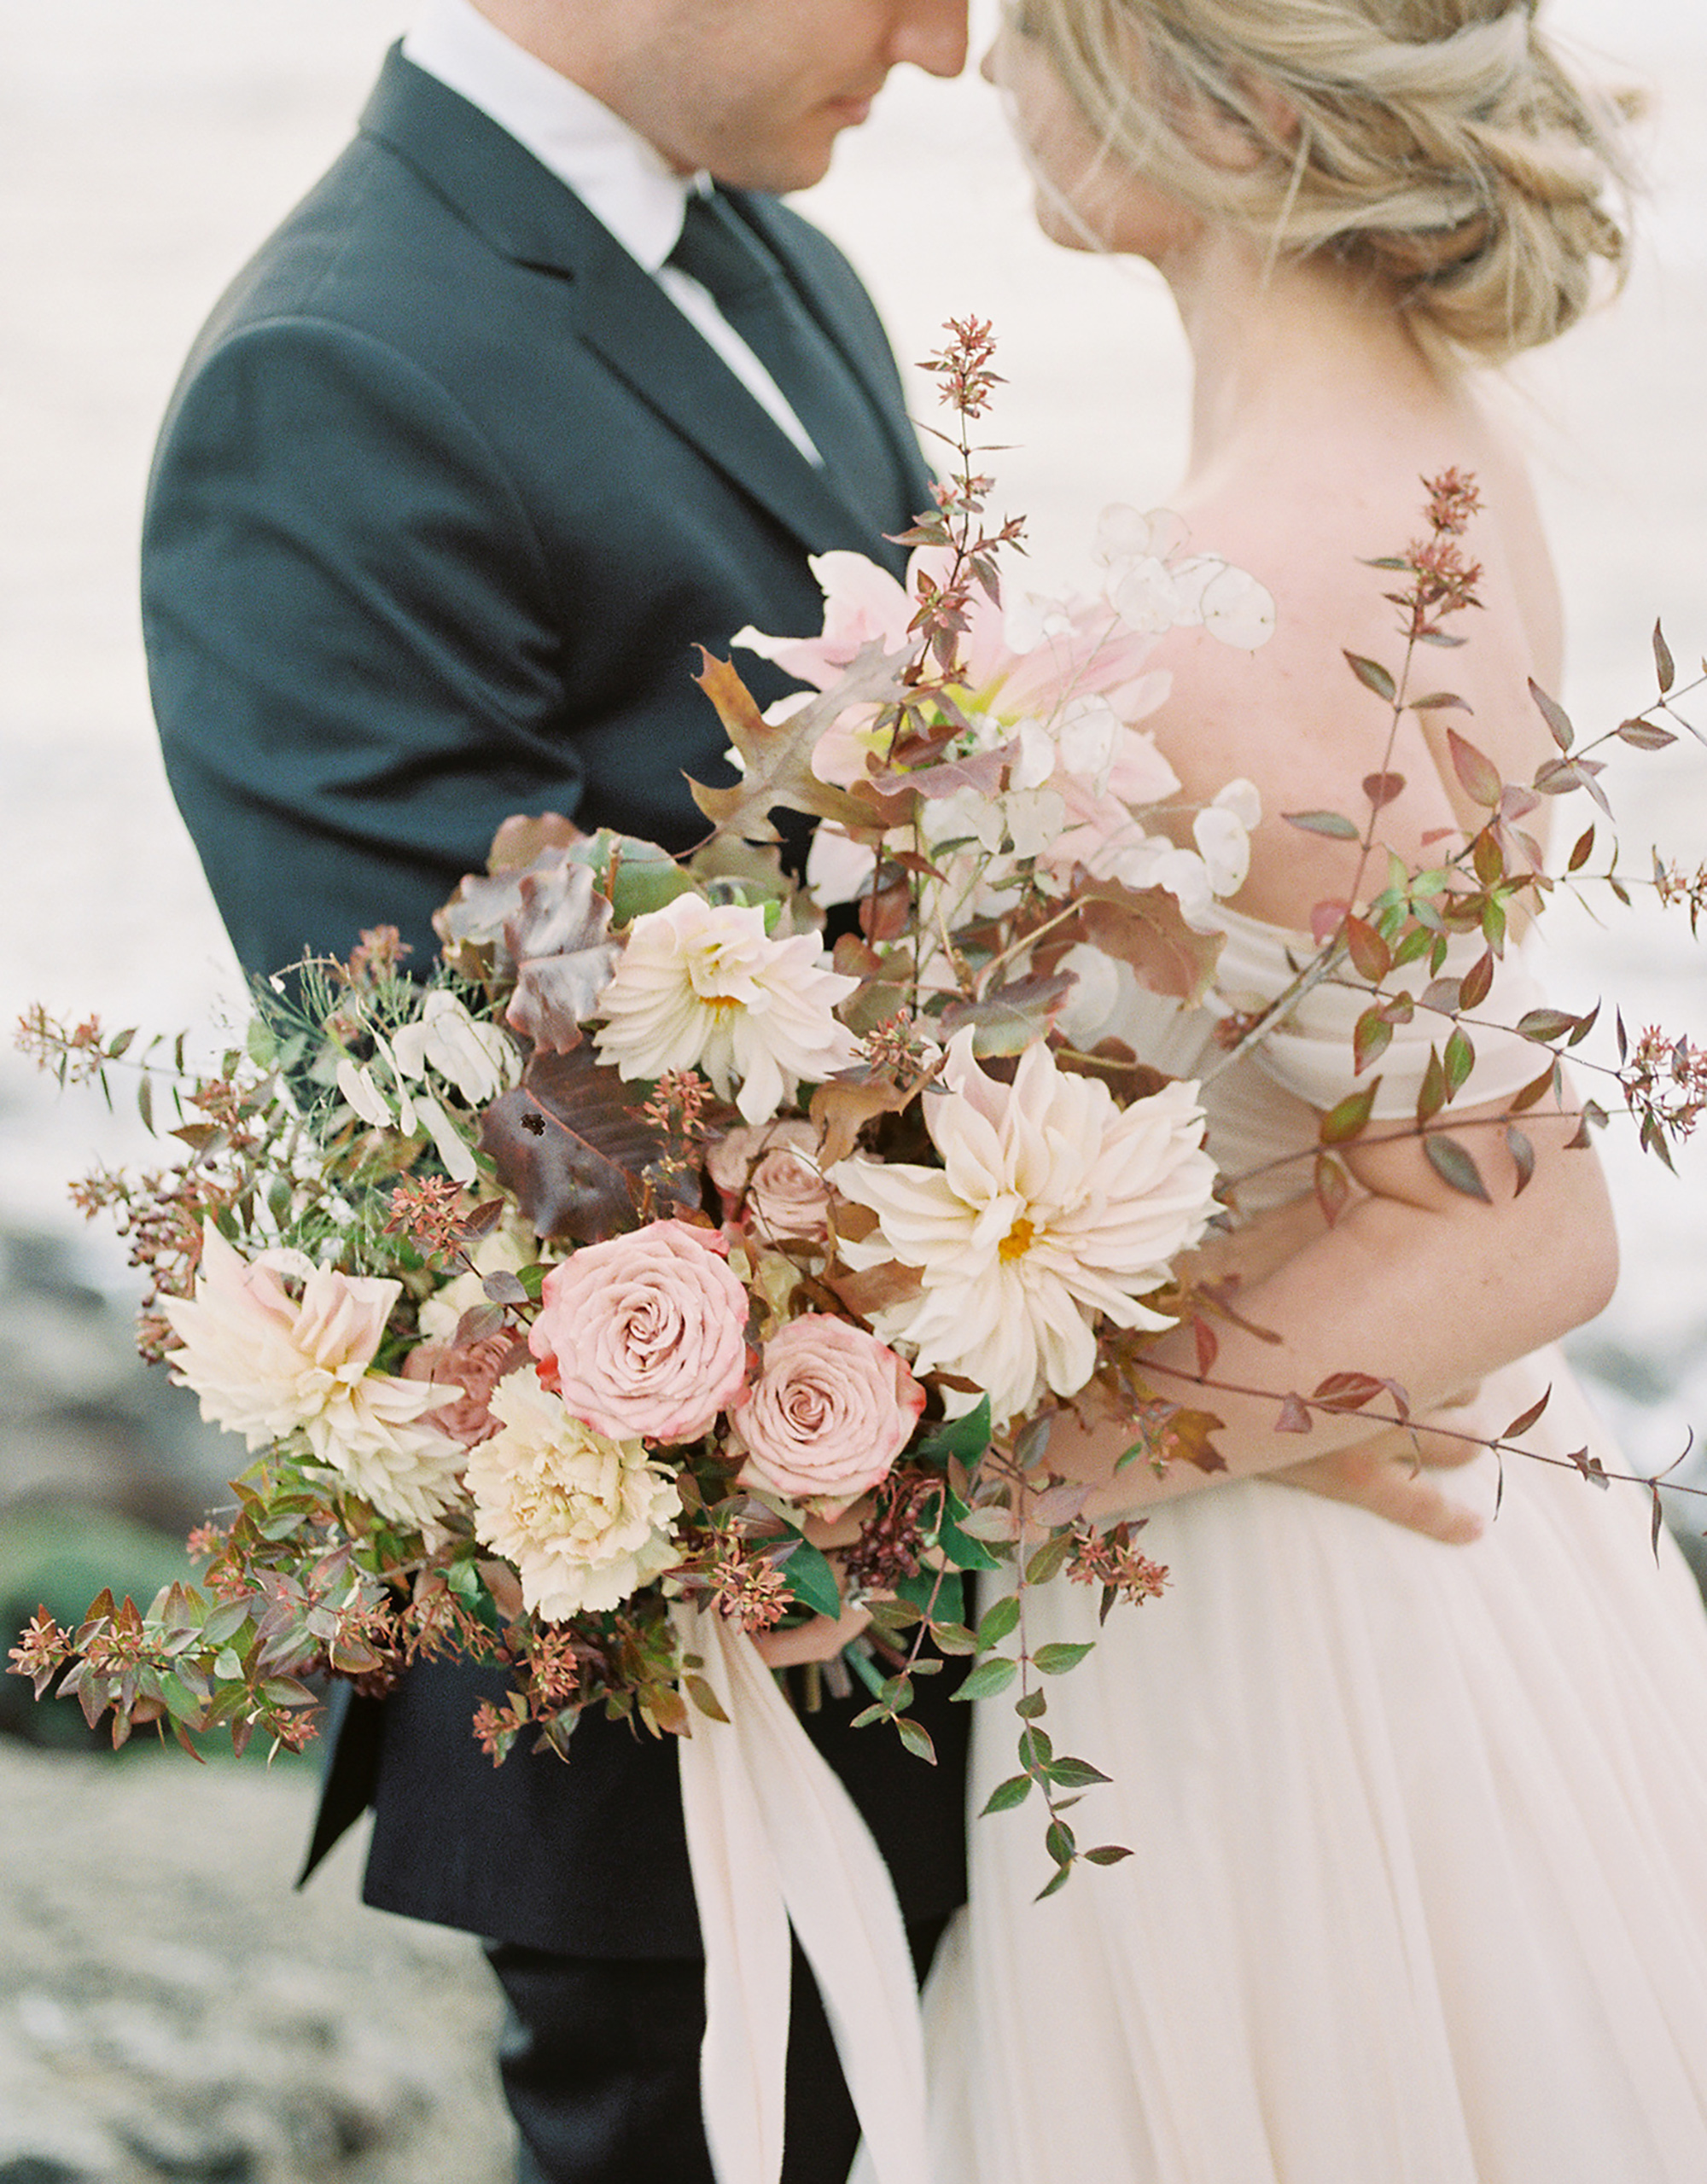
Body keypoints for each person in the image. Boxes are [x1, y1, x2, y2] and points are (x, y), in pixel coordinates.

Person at [139, 5, 976, 2181]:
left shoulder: (774, 252)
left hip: (931, 1575)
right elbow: (482, 1090)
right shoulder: (335, 373)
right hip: (676, 1667)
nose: (954, 40)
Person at [906, 3, 1707, 2180]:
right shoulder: (1419, 463)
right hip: (1429, 1539)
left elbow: (1517, 1210)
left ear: (1235, 96)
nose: (986, 67)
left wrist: (939, 1509)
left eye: (1053, 32)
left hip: (1275, 1633)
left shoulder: (1242, 597)